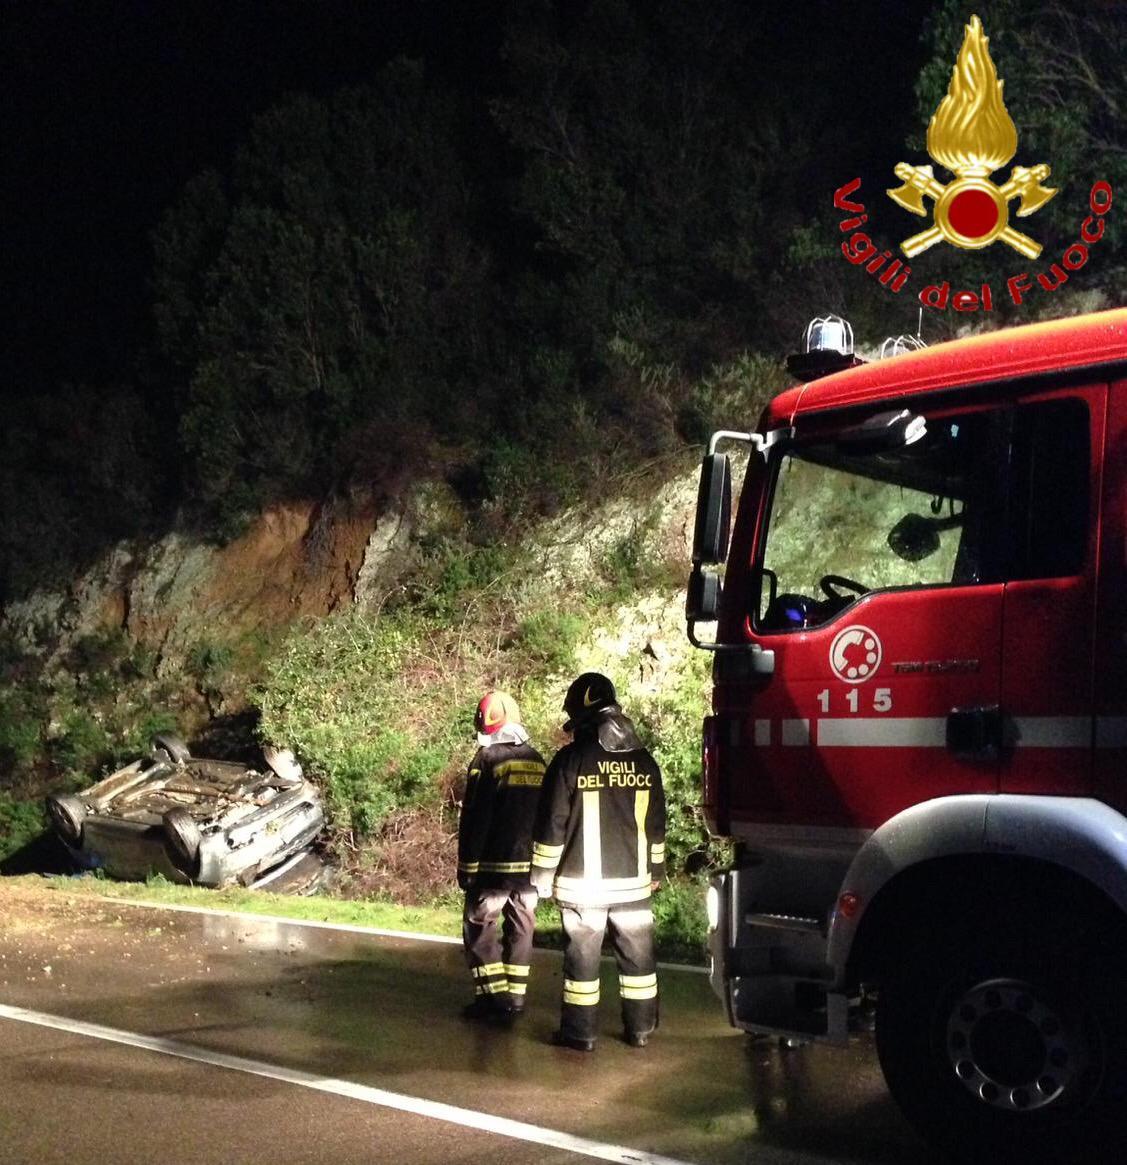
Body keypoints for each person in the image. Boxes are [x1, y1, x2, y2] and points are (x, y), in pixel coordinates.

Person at [531, 672, 665, 1052]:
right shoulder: (645, 763)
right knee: (639, 964)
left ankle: (580, 1034)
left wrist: (542, 877)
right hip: (635, 886)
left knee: (582, 967)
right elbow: (656, 825)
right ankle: (640, 1030)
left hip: (582, 887)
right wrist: (656, 871)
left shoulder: (570, 761)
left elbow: (552, 824)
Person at [457, 690, 547, 1021]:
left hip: (493, 869)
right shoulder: (537, 759)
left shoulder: (486, 761)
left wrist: (467, 868)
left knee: (479, 925)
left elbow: (475, 819)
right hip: (530, 869)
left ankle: (492, 1001)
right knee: (522, 926)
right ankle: (516, 999)